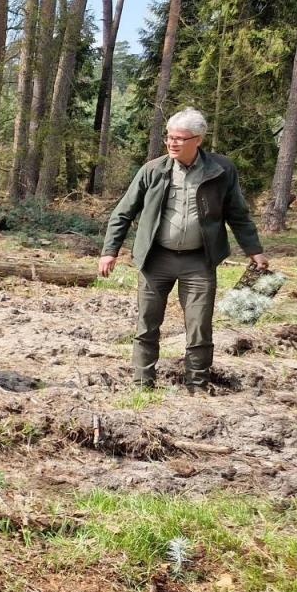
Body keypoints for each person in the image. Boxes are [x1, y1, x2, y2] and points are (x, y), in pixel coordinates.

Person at [100, 107, 268, 393]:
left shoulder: (222, 170)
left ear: (198, 140)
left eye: (180, 138)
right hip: (156, 260)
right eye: (169, 137)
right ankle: (142, 385)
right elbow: (123, 213)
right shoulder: (153, 170)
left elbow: (238, 213)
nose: (172, 143)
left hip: (199, 262)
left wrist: (255, 250)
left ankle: (197, 387)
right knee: (147, 324)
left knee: (200, 327)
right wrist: (109, 250)